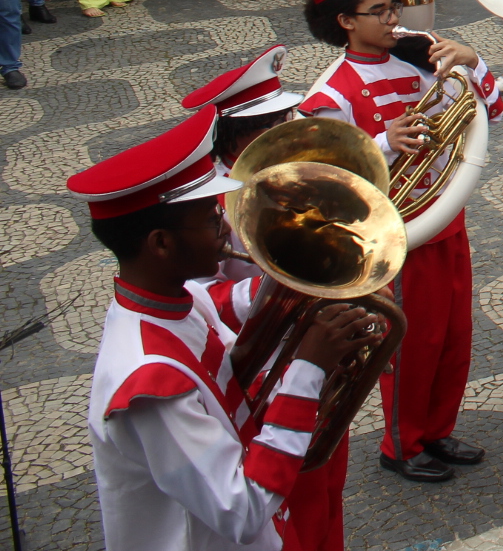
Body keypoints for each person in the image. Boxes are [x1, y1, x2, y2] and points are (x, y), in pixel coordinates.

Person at [67, 112, 370, 551]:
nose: (226, 229)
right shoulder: (149, 385)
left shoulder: (180, 300)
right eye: (212, 220)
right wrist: (308, 367)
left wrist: (312, 284)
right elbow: (242, 510)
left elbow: (237, 375)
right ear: (161, 244)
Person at [299, 0, 503, 482]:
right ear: (345, 20)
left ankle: (436, 429)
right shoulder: (330, 92)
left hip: (444, 215)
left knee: (455, 335)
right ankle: (401, 442)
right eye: (380, 11)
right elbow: (327, 177)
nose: (395, 19)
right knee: (412, 344)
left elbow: (493, 113)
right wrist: (382, 141)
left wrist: (474, 62)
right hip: (397, 234)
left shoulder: (418, 58)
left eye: (395, 6)